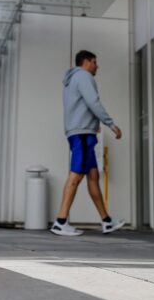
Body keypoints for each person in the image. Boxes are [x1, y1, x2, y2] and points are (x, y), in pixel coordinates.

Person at [51, 50, 125, 237]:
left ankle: (106, 221)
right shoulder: (83, 76)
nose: (96, 65)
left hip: (82, 131)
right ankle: (60, 222)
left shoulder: (72, 80)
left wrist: (94, 124)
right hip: (82, 133)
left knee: (93, 176)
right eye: (94, 61)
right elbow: (93, 101)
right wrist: (110, 124)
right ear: (85, 62)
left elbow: (80, 105)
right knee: (75, 176)